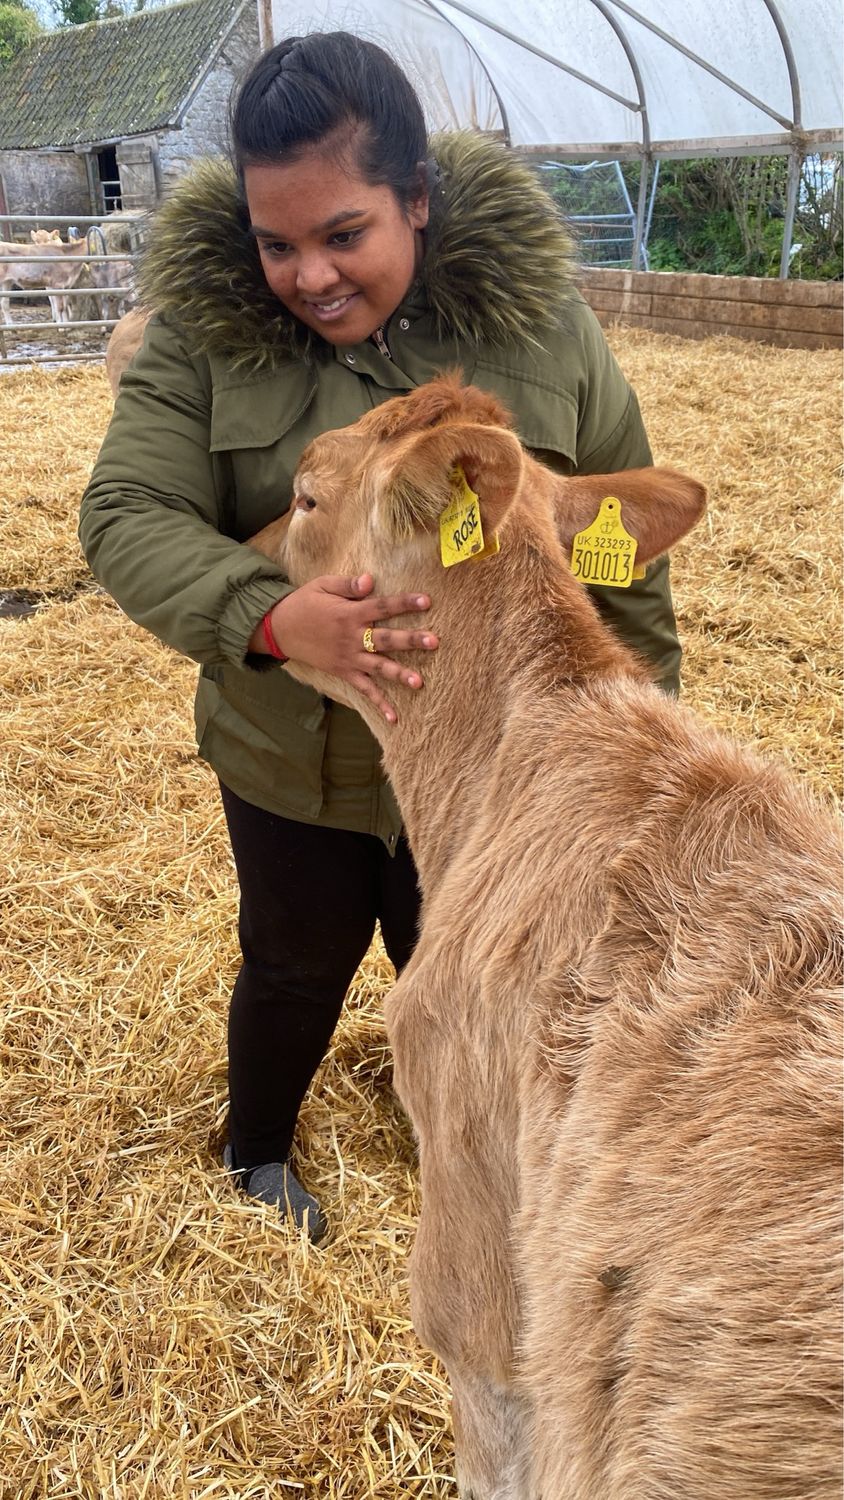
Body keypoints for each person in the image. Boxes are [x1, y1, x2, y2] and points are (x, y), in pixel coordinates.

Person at [79, 32, 682, 1241]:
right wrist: (267, 613)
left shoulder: (546, 333)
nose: (308, 275)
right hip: (289, 750)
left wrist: (633, 748)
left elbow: (612, 548)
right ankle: (256, 1150)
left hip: (487, 774)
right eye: (276, 243)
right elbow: (124, 513)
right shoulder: (204, 335)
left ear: (415, 199)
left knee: (453, 964)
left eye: (343, 234)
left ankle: (452, 1134)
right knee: (294, 959)